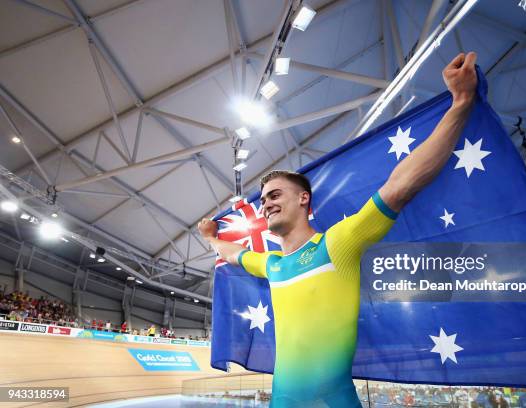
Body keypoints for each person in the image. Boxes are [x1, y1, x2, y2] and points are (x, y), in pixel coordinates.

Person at [198, 52, 478, 407]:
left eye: (275, 195)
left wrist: (461, 103)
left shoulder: (337, 244)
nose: (265, 203)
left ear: (304, 199)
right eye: (264, 198)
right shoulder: (273, 266)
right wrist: (210, 237)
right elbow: (235, 255)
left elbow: (400, 185)